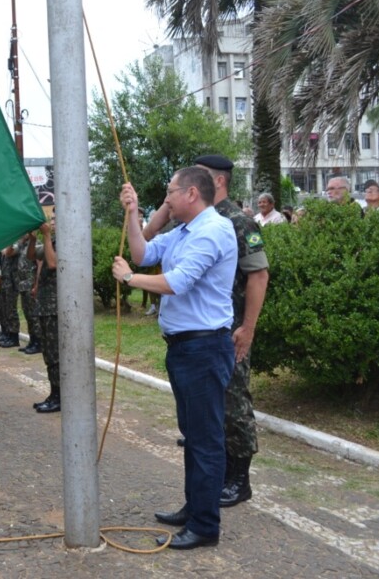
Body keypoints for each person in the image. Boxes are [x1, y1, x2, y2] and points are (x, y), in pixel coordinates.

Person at [112, 166, 237, 550]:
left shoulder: (212, 231)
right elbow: (143, 252)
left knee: (206, 439)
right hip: (184, 349)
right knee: (194, 436)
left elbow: (177, 282)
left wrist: (130, 279)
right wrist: (133, 213)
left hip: (204, 348)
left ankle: (204, 526)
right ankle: (195, 507)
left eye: (170, 192)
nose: (166, 199)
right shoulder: (184, 230)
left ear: (192, 195)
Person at [196, 155, 270, 508]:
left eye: (202, 177)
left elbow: (258, 275)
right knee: (214, 402)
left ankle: (240, 479)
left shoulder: (240, 222)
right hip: (206, 328)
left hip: (232, 328)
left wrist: (248, 328)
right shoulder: (200, 220)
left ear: (219, 182)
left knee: (234, 401)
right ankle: (222, 470)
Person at [27, 217, 60, 413]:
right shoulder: (52, 241)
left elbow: (53, 263)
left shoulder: (65, 242)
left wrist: (46, 235)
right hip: (46, 306)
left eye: (56, 219)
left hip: (56, 307)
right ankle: (54, 393)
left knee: (55, 354)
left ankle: (59, 396)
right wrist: (33, 239)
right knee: (49, 352)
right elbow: (32, 256)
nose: (52, 222)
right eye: (52, 219)